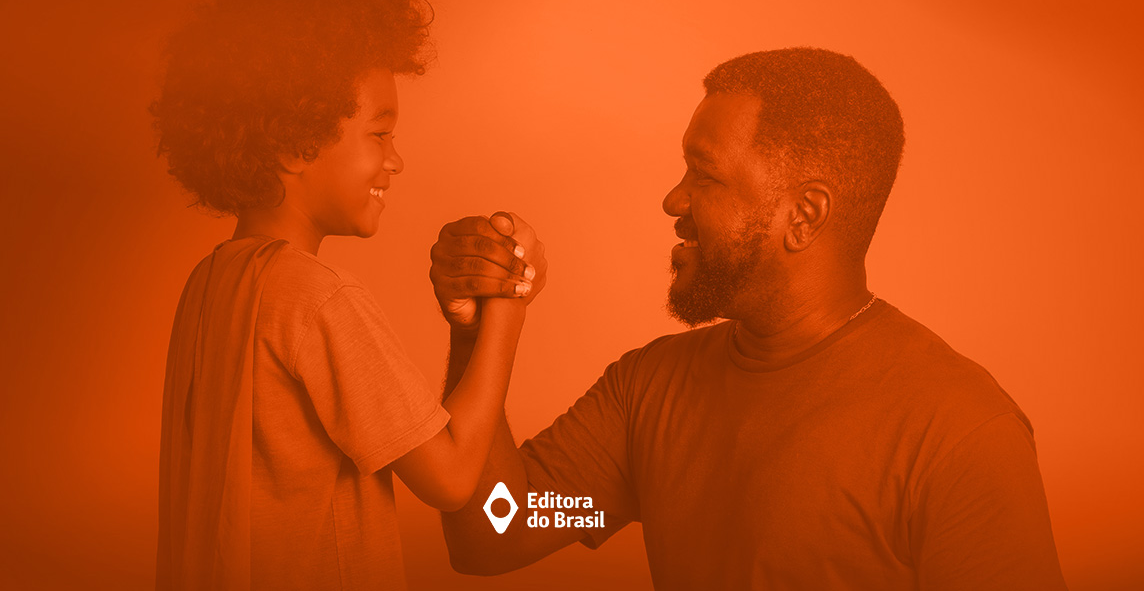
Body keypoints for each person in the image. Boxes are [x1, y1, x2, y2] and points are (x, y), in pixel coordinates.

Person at [430, 48, 1067, 590]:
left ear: (805, 215)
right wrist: (479, 328)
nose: (672, 200)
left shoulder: (960, 431)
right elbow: (498, 530)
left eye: (704, 175)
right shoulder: (649, 389)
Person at [150, 0, 545, 589]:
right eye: (379, 134)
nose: (396, 159)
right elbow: (451, 478)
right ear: (294, 144)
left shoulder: (210, 282)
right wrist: (511, 304)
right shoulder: (316, 297)